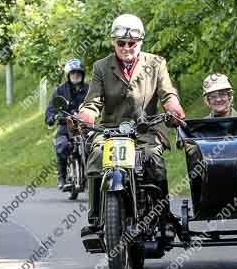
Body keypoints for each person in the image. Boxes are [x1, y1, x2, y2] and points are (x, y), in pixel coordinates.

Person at [75, 14, 186, 227]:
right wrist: (86, 116)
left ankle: (162, 217)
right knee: (97, 154)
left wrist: (173, 107)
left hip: (147, 129)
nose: (127, 47)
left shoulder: (156, 63)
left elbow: (167, 92)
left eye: (132, 43)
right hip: (110, 131)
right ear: (113, 43)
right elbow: (93, 102)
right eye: (121, 43)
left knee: (153, 158)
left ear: (140, 42)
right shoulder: (101, 67)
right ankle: (97, 215)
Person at [45, 58, 90, 189]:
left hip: (84, 126)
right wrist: (52, 116)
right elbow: (52, 107)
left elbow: (99, 103)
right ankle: (62, 176)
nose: (76, 76)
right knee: (62, 145)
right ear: (68, 75)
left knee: (94, 146)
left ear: (82, 75)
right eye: (73, 73)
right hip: (66, 126)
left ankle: (95, 176)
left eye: (78, 73)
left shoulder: (89, 89)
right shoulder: (60, 90)